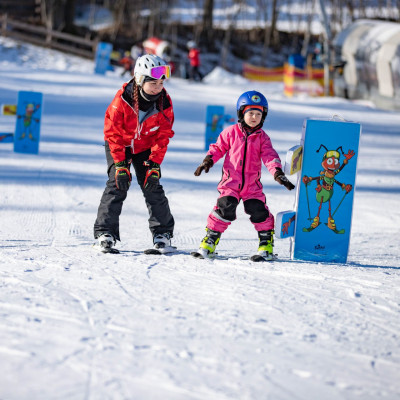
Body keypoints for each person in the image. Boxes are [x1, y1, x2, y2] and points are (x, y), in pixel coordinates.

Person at [193, 90, 295, 260]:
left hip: (252, 187)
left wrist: (277, 173)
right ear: (241, 113)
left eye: (258, 114)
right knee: (225, 207)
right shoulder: (230, 132)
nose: (254, 117)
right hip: (230, 184)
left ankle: (266, 244)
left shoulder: (263, 138)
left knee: (258, 210)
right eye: (250, 113)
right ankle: (210, 240)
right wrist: (208, 161)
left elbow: (270, 156)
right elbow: (217, 148)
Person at [94, 54, 175, 253]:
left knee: (152, 185)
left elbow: (163, 136)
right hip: (119, 144)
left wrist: (154, 165)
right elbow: (112, 134)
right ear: (140, 80)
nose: (158, 87)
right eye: (153, 83)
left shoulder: (164, 103)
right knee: (117, 182)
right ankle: (105, 233)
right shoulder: (121, 101)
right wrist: (121, 165)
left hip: (146, 146)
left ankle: (162, 233)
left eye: (161, 82)